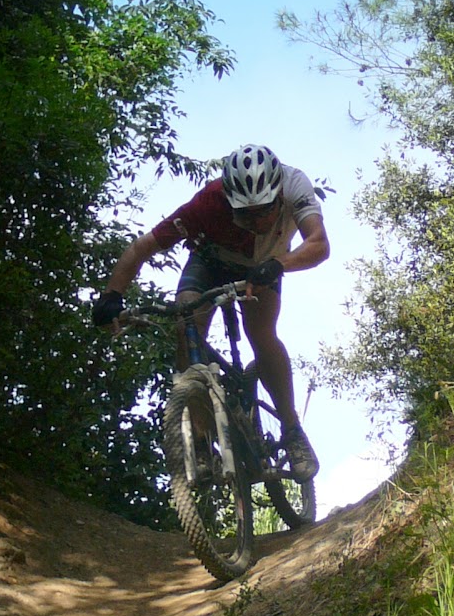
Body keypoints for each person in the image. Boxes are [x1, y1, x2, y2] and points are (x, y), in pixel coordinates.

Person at [91, 142, 329, 481]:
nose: (256, 222)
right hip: (211, 261)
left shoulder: (294, 185)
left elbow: (318, 244)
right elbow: (143, 247)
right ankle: (201, 441)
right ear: (229, 200)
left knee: (261, 335)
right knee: (185, 325)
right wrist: (111, 296)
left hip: (265, 264)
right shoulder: (209, 202)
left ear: (278, 195)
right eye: (245, 214)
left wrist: (279, 265)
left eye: (263, 211)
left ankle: (292, 432)